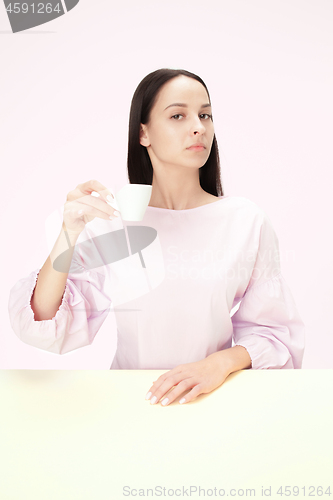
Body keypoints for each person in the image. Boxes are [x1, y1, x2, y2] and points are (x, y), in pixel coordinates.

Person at [8, 68, 305, 407]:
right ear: (143, 134)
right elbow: (42, 323)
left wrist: (218, 364)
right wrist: (67, 234)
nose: (199, 127)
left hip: (214, 402)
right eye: (178, 115)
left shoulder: (245, 221)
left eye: (205, 114)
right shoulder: (112, 222)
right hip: (131, 403)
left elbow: (276, 334)